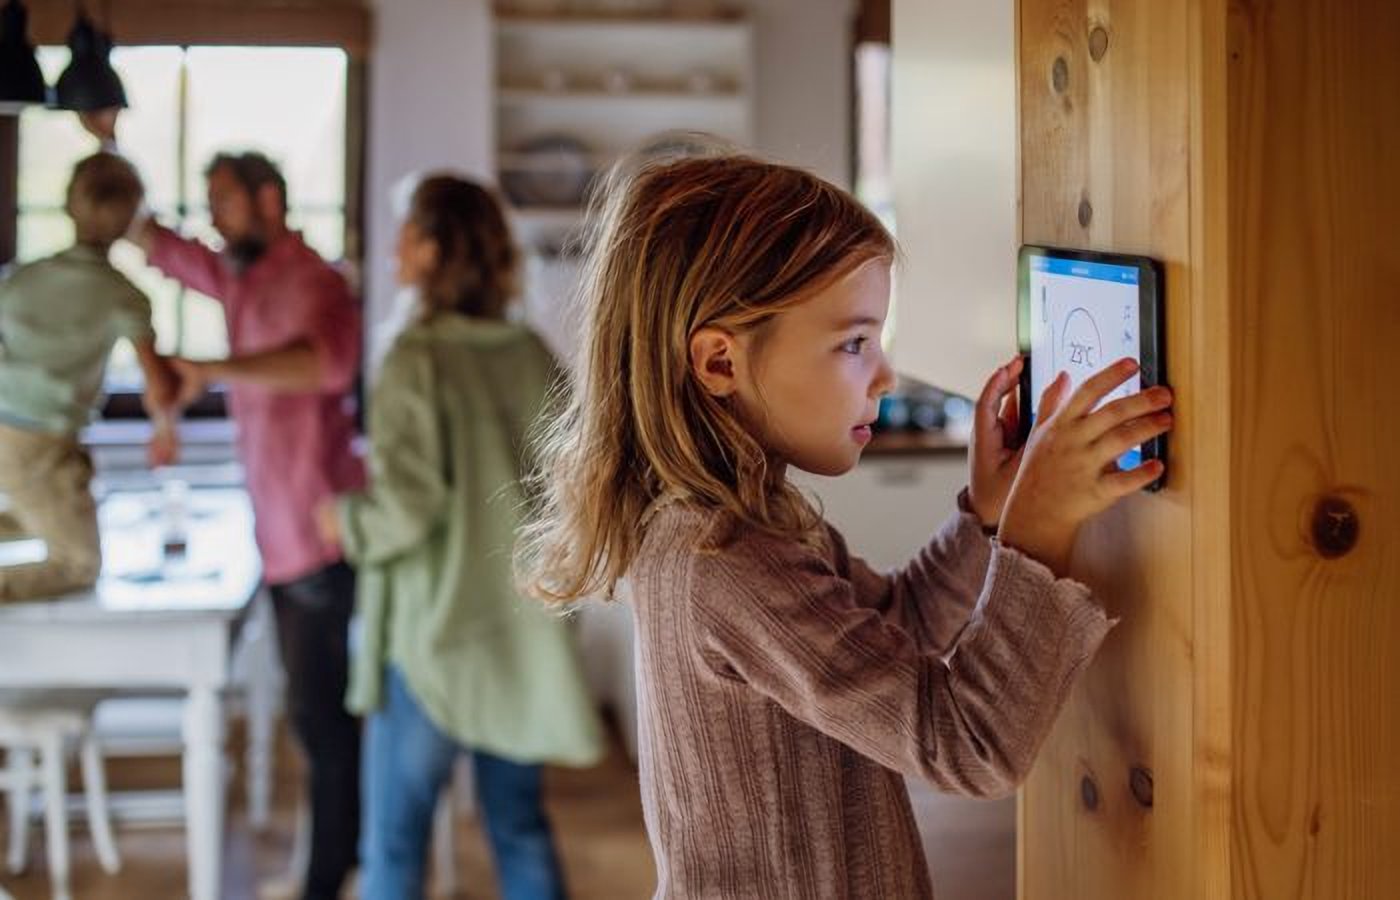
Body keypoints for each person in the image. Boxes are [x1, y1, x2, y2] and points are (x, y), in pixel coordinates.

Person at [517, 155, 1176, 898]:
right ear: (719, 362)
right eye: (855, 343)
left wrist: (985, 518)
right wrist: (1037, 535)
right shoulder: (723, 561)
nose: (887, 375)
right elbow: (969, 746)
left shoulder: (748, 524)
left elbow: (896, 625)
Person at [83, 113, 366, 900]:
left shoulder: (317, 281)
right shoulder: (239, 274)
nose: (213, 217)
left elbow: (325, 367)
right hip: (274, 535)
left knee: (322, 725)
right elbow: (151, 237)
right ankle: (335, 868)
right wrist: (107, 144)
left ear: (269, 199)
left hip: (320, 532)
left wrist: (208, 365)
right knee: (307, 722)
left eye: (226, 201)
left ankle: (332, 880)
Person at [318, 175, 604, 900]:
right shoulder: (531, 353)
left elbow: (408, 508)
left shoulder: (417, 357)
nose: (394, 249)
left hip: (434, 639)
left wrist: (343, 520)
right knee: (518, 825)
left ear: (436, 249)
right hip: (520, 630)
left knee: (394, 841)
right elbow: (574, 484)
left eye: (407, 234)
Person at [0, 152, 178, 602]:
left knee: (38, 513)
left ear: (68, 205)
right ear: (131, 223)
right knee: (79, 562)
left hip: (10, 430)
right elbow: (158, 383)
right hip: (44, 440)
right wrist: (164, 429)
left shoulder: (20, 280)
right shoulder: (124, 297)